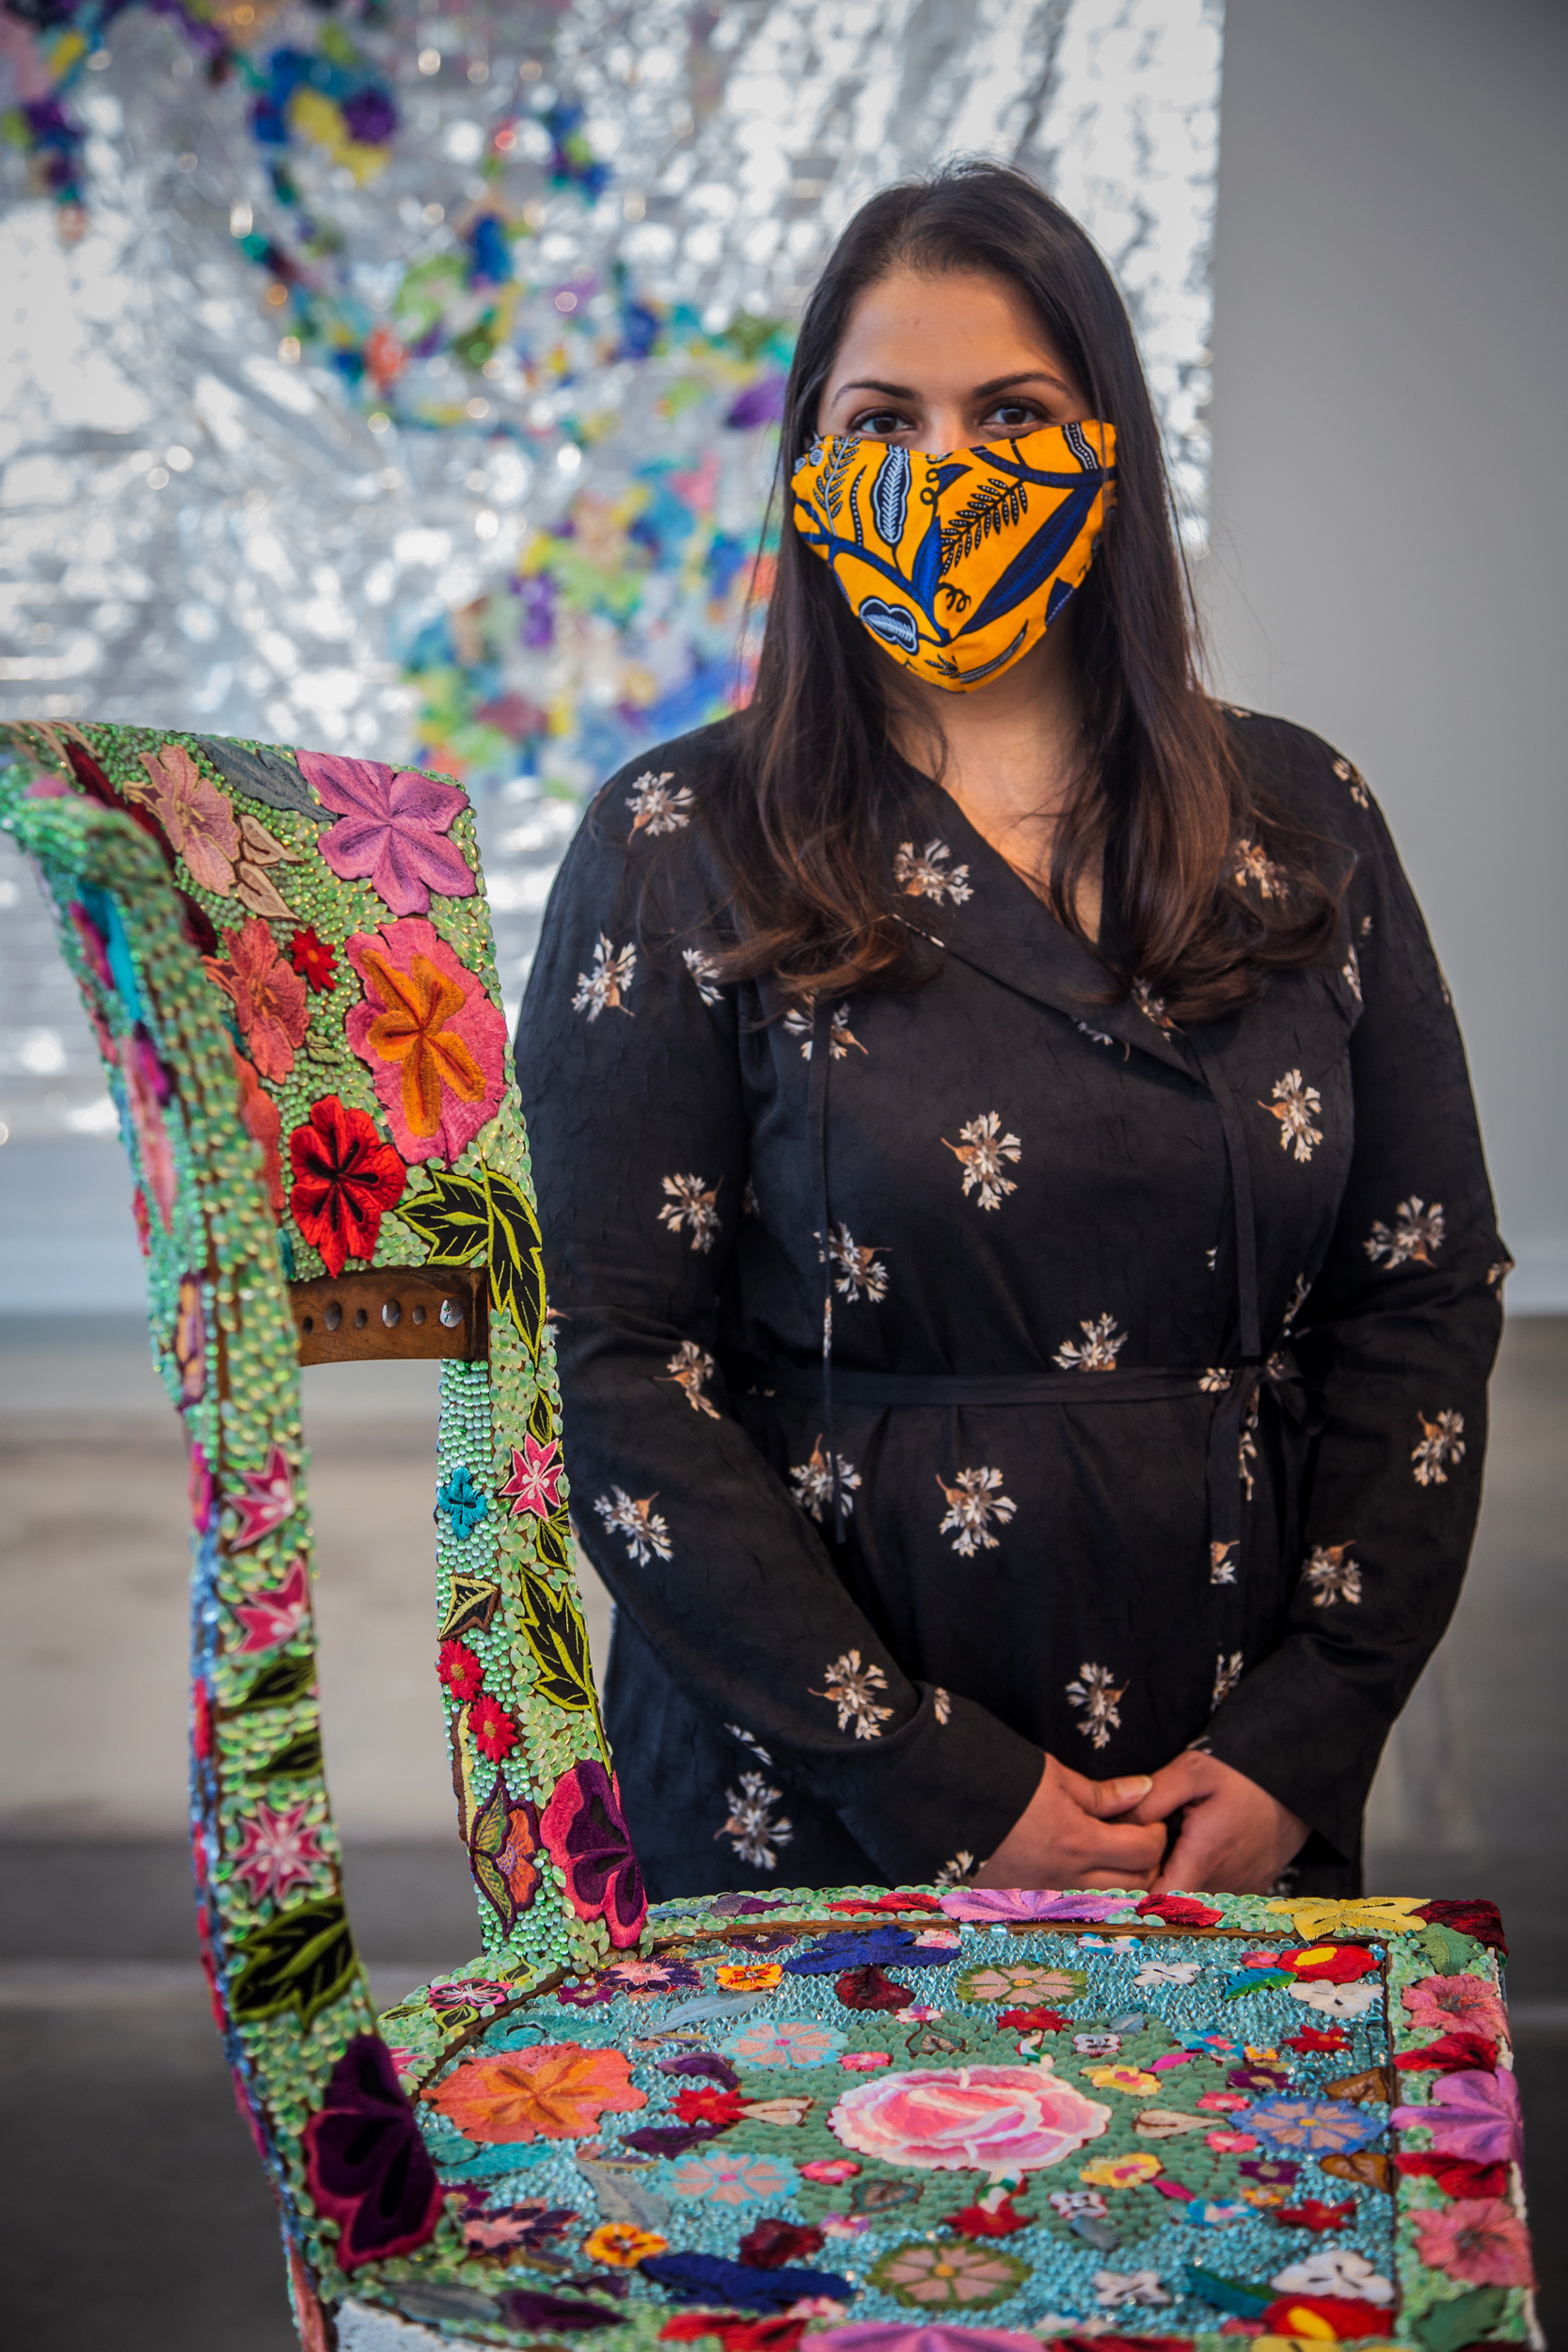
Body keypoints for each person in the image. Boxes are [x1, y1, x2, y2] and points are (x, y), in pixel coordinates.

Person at [515, 162, 1505, 1903]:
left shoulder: (1300, 811)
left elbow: (1417, 1294)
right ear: (812, 463)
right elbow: (608, 1363)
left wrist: (1304, 1735)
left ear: (1104, 446)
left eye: (1014, 413)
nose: (944, 470)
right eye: (884, 417)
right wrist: (925, 1774)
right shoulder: (678, 841)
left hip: (1227, 1808)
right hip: (811, 1819)